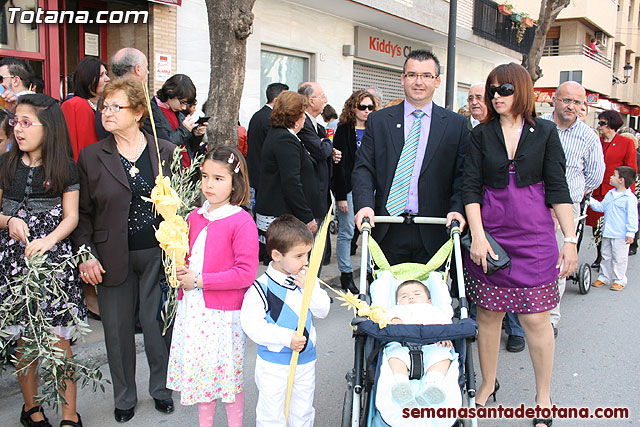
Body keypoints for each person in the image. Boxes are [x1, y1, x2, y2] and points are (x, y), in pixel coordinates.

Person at [462, 63, 577, 427]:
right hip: (492, 236)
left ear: (523, 91)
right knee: (489, 316)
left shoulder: (543, 132)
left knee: (535, 319)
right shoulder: (481, 135)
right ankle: (487, 384)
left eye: (504, 89)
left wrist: (570, 239)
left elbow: (558, 188)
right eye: (492, 89)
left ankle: (543, 396)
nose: (496, 96)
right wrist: (477, 235)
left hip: (535, 239)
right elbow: (470, 189)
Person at [71, 78, 176, 423]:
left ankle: (161, 389)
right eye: (105, 106)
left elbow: (182, 203)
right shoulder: (91, 156)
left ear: (139, 112)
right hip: (110, 256)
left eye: (118, 106)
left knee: (157, 324)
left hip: (158, 255)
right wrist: (85, 253)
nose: (108, 112)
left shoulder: (165, 151)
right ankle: (125, 396)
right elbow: (82, 213)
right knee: (116, 332)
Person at [0, 94, 86, 427]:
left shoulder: (65, 166)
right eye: (14, 122)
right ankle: (31, 409)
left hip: (52, 266)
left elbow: (71, 216)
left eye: (25, 122)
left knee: (58, 340)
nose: (17, 129)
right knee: (24, 340)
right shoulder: (5, 165)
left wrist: (48, 241)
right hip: (14, 266)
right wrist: (9, 222)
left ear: (48, 128)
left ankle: (69, 414)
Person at [167, 146, 258, 427]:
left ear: (235, 183)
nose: (209, 184)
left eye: (218, 178)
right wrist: (180, 267)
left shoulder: (241, 221)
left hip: (222, 314)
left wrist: (201, 280)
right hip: (194, 308)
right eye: (205, 176)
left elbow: (245, 273)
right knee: (203, 376)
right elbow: (191, 256)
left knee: (227, 377)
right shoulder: (195, 216)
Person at [352, 49, 468, 266]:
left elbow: (463, 176)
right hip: (387, 228)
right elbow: (363, 169)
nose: (419, 82)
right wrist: (364, 205)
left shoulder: (455, 124)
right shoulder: (379, 121)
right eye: (412, 75)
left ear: (437, 81)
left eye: (426, 76)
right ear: (403, 79)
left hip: (436, 230)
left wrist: (457, 208)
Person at [240, 214, 331, 427]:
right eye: (299, 256)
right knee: (272, 415)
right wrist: (285, 337)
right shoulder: (260, 289)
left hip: (306, 361)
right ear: (276, 255)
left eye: (307, 254)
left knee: (303, 412)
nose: (305, 261)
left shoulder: (305, 279)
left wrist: (310, 289)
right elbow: (252, 325)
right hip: (274, 364)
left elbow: (323, 310)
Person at [541, 81, 605, 337]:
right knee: (529, 260)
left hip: (567, 209)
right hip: (534, 205)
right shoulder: (536, 125)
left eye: (578, 102)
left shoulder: (588, 136)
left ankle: (550, 320)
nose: (572, 106)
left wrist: (569, 196)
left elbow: (595, 177)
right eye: (567, 100)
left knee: (559, 265)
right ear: (554, 99)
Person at [466, 82, 525, 351]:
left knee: (507, 271)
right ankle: (477, 321)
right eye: (471, 98)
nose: (476, 101)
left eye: (481, 96)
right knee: (485, 276)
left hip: (512, 216)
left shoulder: (521, 132)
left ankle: (514, 328)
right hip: (474, 212)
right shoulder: (467, 129)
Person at [254, 91, 321, 260]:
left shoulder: (282, 136)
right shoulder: (284, 139)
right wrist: (307, 217)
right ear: (295, 117)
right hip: (285, 216)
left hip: (283, 214)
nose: (305, 118)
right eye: (303, 113)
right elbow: (291, 182)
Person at [332, 90, 377, 293]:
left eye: (370, 107)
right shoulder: (343, 130)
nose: (367, 111)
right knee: (347, 231)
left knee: (370, 231)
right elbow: (338, 166)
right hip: (349, 187)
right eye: (362, 107)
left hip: (372, 188)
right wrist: (341, 195)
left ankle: (369, 271)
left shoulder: (375, 129)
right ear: (353, 108)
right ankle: (346, 273)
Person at [387, 280, 456, 408]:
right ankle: (401, 384)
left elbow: (445, 323)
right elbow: (390, 319)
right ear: (398, 302)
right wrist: (395, 321)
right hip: (404, 344)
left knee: (442, 354)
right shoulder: (398, 309)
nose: (411, 297)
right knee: (394, 353)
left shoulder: (433, 310)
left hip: (432, 343)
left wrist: (445, 335)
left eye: (417, 294)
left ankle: (433, 384)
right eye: (404, 296)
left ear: (429, 301)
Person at [587, 110, 637, 269]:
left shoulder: (625, 143)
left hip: (615, 191)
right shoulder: (596, 141)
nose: (599, 126)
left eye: (602, 123)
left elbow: (630, 169)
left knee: (614, 224)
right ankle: (600, 255)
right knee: (597, 225)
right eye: (599, 122)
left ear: (611, 125)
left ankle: (616, 258)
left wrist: (629, 194)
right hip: (597, 190)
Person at [589, 166, 638, 291]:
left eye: (614, 175)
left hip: (621, 235)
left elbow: (632, 217)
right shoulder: (610, 194)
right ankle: (603, 277)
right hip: (608, 232)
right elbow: (601, 207)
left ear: (621, 180)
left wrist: (631, 233)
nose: (611, 177)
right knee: (605, 255)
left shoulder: (630, 198)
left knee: (619, 258)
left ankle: (619, 279)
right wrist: (590, 200)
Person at [144, 74, 207, 166]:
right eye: (182, 103)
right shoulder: (151, 112)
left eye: (187, 104)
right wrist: (184, 130)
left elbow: (189, 147)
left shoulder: (179, 113)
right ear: (170, 92)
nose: (184, 107)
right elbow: (164, 145)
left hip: (186, 171)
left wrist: (196, 134)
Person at [62, 58, 111, 160]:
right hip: (85, 168)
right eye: (101, 75)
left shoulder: (108, 105)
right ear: (88, 79)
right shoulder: (73, 105)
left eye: (106, 74)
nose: (107, 79)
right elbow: (71, 145)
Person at [96, 48, 149, 140]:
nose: (108, 113)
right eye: (146, 67)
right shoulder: (139, 100)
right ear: (138, 69)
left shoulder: (106, 96)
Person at [246, 82, 289, 198]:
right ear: (276, 100)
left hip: (257, 173)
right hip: (265, 176)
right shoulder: (270, 118)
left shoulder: (259, 115)